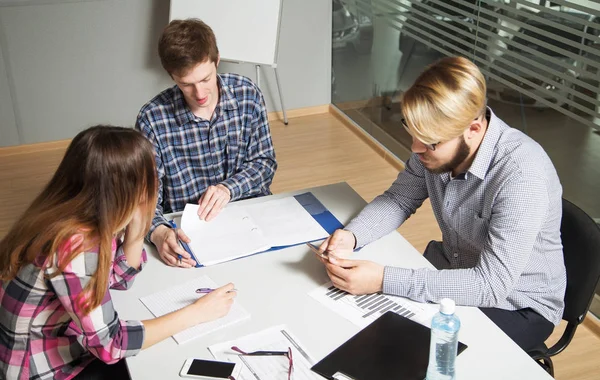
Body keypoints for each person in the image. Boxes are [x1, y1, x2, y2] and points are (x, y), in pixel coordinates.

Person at [318, 57, 566, 352]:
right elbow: (399, 198)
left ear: (473, 130)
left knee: (410, 354)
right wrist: (352, 235)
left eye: (429, 142)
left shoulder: (521, 175)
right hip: (453, 270)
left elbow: (489, 286)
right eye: (412, 131)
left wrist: (383, 279)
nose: (415, 148)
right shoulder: (434, 142)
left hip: (516, 303)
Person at [0, 126, 236, 380]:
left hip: (48, 347)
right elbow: (112, 343)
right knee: (152, 376)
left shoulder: (76, 213)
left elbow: (113, 280)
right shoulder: (76, 244)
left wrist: (135, 236)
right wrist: (197, 313)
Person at [136, 19, 278, 268]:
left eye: (205, 79)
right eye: (186, 84)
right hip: (190, 235)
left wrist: (228, 188)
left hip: (251, 218)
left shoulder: (247, 93)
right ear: (171, 76)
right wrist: (158, 233)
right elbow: (144, 199)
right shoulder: (152, 119)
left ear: (217, 60)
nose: (199, 94)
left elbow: (265, 164)